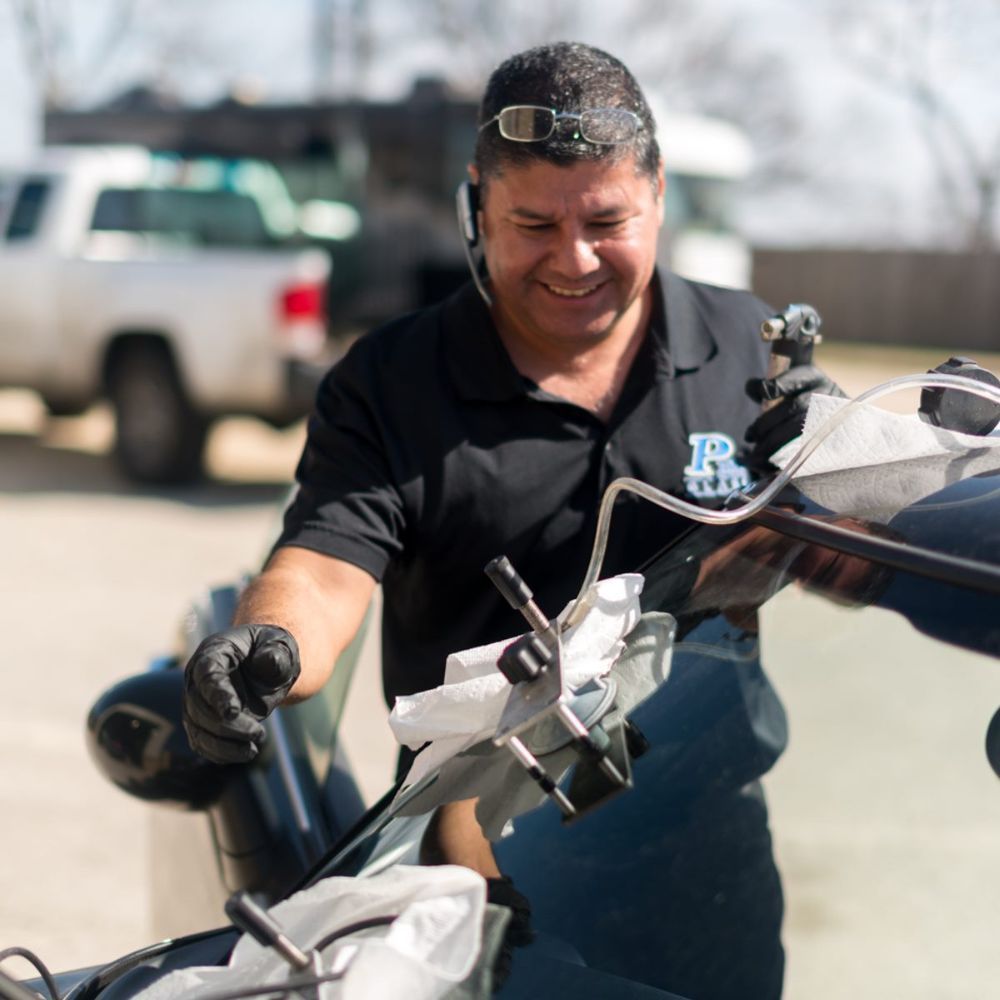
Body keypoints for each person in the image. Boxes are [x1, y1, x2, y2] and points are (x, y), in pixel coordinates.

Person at [182, 41, 838, 766]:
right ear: (478, 207)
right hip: (473, 842)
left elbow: (854, 571)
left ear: (657, 196)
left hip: (706, 827)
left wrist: (856, 478)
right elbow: (319, 573)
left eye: (606, 223)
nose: (575, 259)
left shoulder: (750, 348)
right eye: (535, 227)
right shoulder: (390, 382)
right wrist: (268, 645)